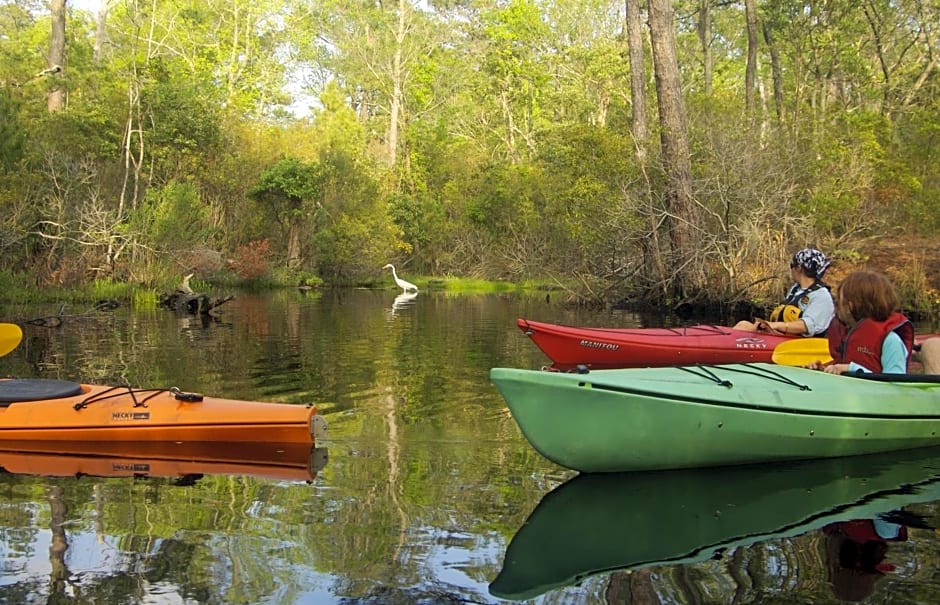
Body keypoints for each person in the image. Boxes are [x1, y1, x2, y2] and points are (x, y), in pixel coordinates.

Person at [814, 270, 914, 375]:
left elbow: (896, 385)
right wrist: (824, 370)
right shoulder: (845, 331)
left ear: (852, 305)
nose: (836, 304)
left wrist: (853, 369)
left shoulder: (891, 341)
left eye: (840, 299)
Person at [734, 248, 835, 337]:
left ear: (799, 268)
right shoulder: (796, 289)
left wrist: (776, 325)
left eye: (792, 265)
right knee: (743, 325)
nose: (791, 269)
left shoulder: (822, 296)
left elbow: (807, 326)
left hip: (804, 344)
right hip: (782, 336)